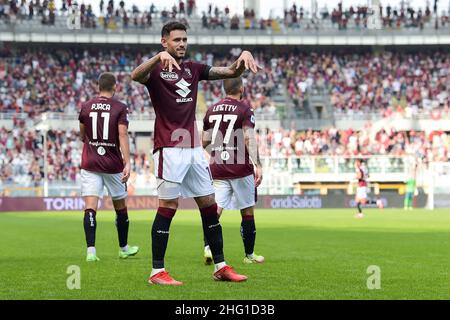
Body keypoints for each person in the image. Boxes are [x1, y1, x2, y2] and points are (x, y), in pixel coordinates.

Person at [131, 21, 261, 285]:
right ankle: (157, 272)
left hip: (191, 147)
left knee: (209, 205)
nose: (181, 44)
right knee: (168, 205)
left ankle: (221, 266)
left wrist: (242, 58)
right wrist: (158, 58)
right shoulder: (156, 70)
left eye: (184, 40)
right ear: (164, 41)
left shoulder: (194, 69)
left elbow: (228, 72)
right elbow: (135, 76)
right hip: (168, 147)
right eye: (176, 40)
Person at [202, 77, 264, 265]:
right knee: (247, 211)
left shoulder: (211, 110)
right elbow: (248, 138)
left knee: (216, 210)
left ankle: (207, 247)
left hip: (218, 167)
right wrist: (258, 164)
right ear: (241, 88)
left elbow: (203, 141)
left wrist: (217, 154)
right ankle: (249, 255)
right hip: (241, 169)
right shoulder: (244, 109)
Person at [78, 72, 139, 262]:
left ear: (98, 87)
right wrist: (127, 161)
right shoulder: (120, 107)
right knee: (120, 207)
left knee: (90, 208)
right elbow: (122, 134)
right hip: (113, 165)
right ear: (115, 87)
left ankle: (91, 252)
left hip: (90, 163)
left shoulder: (86, 106)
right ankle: (123, 248)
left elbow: (82, 134)